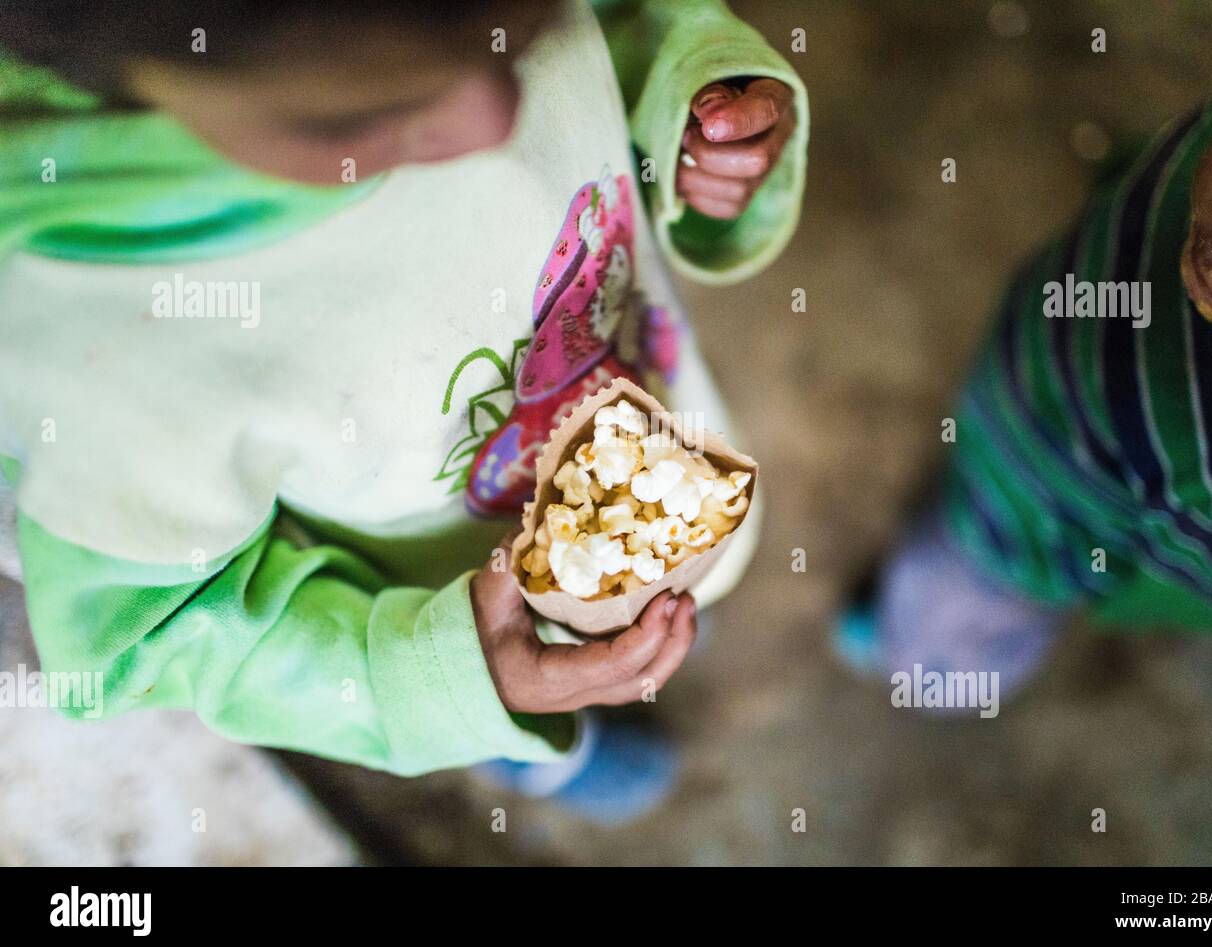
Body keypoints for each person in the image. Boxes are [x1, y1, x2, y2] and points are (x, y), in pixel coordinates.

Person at [0, 0, 807, 824]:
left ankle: (628, 629)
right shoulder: (92, 336)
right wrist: (446, 686)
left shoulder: (411, 58)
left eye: (522, 32)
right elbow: (150, 635)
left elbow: (626, 21)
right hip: (426, 596)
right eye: (363, 116)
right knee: (481, 709)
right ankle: (520, 741)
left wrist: (686, 95)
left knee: (662, 607)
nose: (497, 121)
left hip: (638, 384)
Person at [836, 52, 1212, 702]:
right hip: (1023, 438)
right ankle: (908, 630)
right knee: (947, 608)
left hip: (1027, 507)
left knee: (946, 594)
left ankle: (907, 639)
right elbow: (1181, 595)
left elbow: (1191, 591)